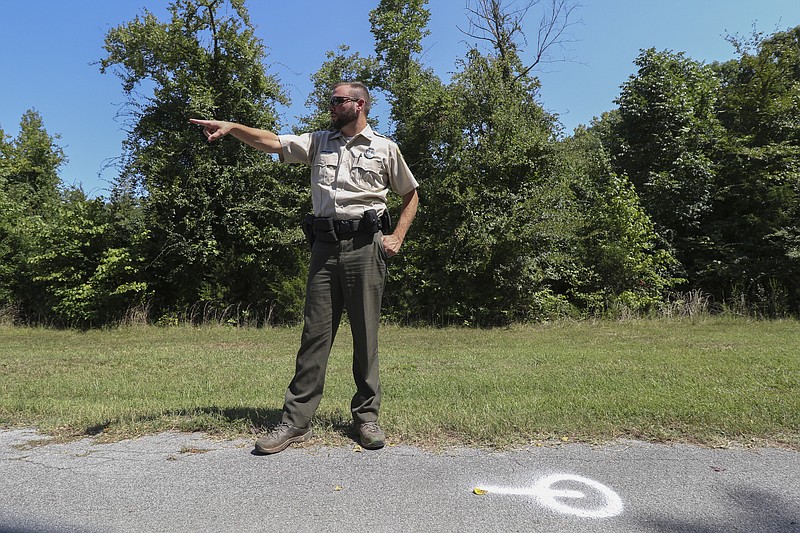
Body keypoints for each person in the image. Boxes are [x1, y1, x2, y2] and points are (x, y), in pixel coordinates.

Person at [190, 81, 419, 454]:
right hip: (325, 248)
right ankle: (296, 422)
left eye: (337, 100)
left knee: (366, 337)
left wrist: (397, 237)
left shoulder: (385, 148)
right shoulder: (318, 142)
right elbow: (271, 142)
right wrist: (232, 128)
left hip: (366, 246)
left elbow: (410, 194)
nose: (330, 106)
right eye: (330, 100)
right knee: (315, 336)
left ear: (359, 105)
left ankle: (367, 418)